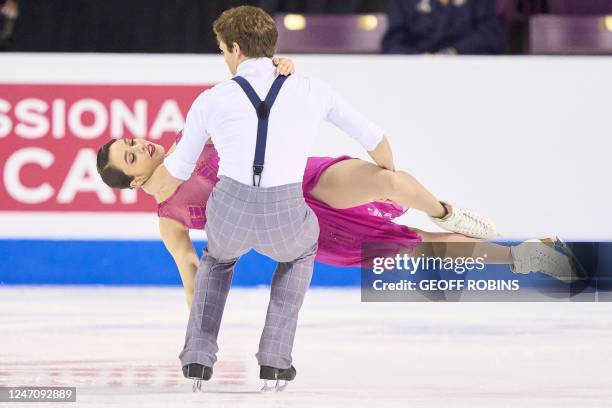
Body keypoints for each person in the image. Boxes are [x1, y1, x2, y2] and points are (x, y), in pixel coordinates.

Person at [382, 0, 504, 55]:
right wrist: (419, 58)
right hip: (417, 74)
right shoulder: (405, 2)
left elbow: (489, 35)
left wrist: (452, 52)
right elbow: (392, 43)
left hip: (466, 70)